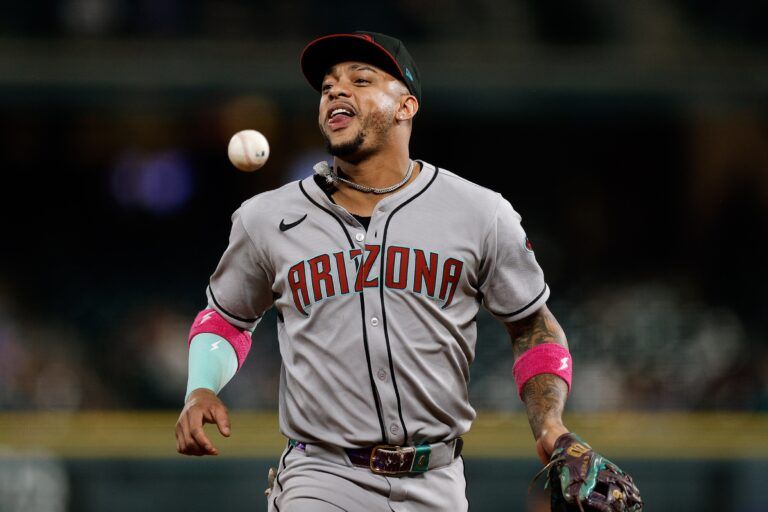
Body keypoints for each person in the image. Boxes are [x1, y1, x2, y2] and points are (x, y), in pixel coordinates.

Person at [175, 31, 640, 511]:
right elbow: (226, 318)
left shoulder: (479, 212)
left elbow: (534, 327)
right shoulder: (266, 218)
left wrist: (550, 425)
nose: (335, 90)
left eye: (360, 79)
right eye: (327, 85)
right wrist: (201, 388)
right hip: (323, 476)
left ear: (406, 107)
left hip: (437, 481)